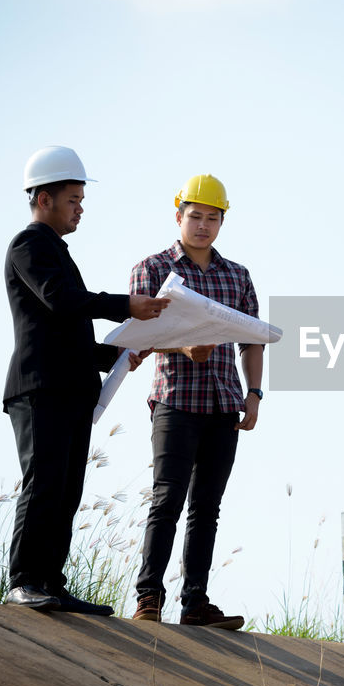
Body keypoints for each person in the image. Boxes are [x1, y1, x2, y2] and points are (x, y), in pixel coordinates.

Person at [2, 145, 170, 614]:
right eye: (73, 198)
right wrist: (126, 306)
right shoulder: (28, 245)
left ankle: (50, 583)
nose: (80, 208)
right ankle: (23, 582)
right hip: (40, 389)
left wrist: (118, 352)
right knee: (44, 482)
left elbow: (65, 328)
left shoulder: (55, 250)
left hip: (70, 390)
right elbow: (60, 300)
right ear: (43, 199)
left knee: (67, 489)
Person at [130, 174, 263, 630]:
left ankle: (195, 604)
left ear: (222, 221)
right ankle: (149, 598)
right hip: (175, 402)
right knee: (167, 499)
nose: (203, 226)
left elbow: (252, 341)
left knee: (207, 507)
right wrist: (182, 347)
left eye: (212, 218)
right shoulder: (152, 269)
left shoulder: (237, 276)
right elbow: (138, 339)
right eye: (195, 216)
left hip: (224, 404)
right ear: (178, 215)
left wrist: (254, 395)